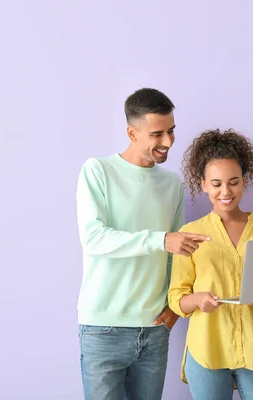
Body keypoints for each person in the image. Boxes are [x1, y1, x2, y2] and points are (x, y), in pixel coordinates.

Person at [76, 88, 210, 400]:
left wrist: (175, 308)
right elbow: (94, 239)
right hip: (102, 328)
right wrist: (161, 239)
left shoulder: (171, 184)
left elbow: (177, 259)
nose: (168, 142)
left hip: (154, 329)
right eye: (157, 133)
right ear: (132, 133)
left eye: (172, 131)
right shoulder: (98, 171)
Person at [168, 128, 253, 400]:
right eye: (216, 184)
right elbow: (176, 297)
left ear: (245, 181)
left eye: (234, 182)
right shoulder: (190, 233)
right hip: (207, 349)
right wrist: (197, 299)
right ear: (203, 184)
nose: (226, 191)